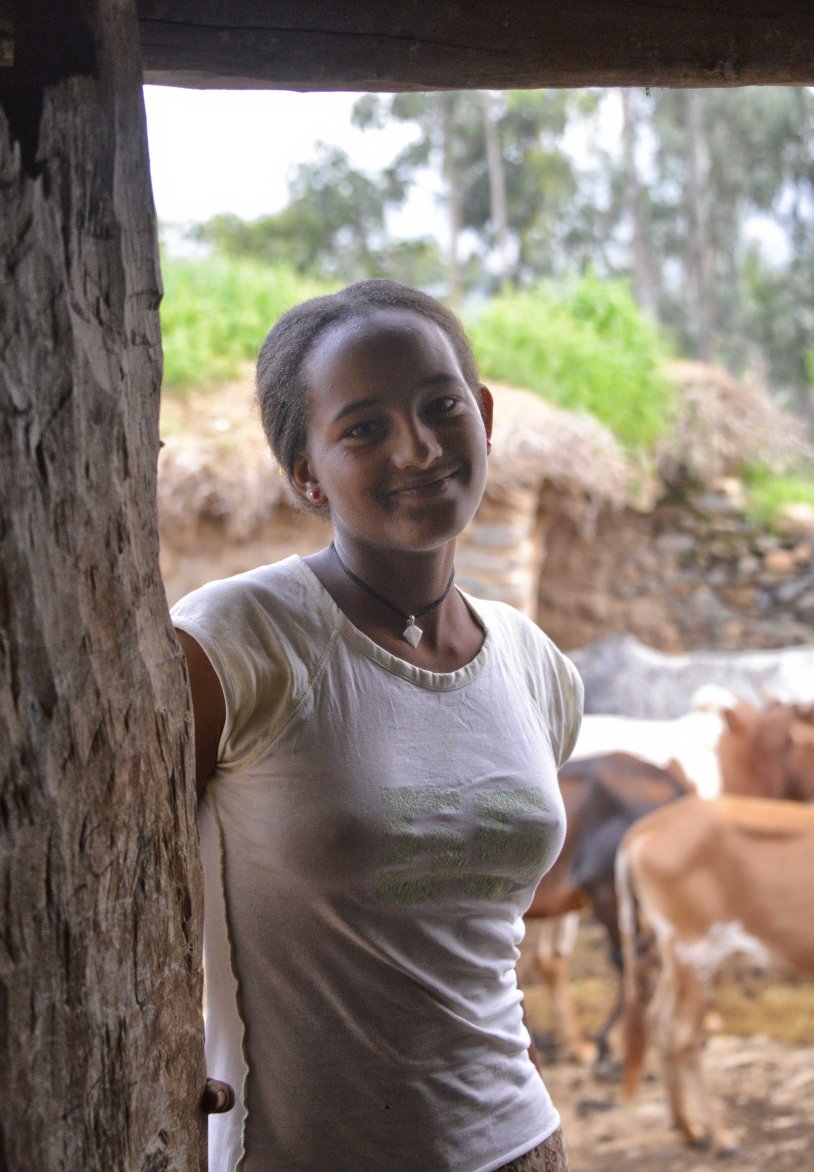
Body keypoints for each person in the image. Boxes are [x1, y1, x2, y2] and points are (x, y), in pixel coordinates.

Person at [173, 279, 583, 1172]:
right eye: (362, 428)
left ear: (481, 412)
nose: (420, 447)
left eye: (442, 406)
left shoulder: (535, 666)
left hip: (522, 1142)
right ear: (306, 472)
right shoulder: (234, 643)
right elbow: (111, 879)